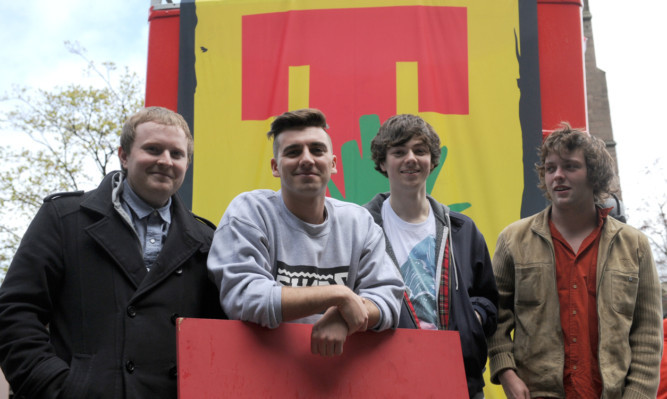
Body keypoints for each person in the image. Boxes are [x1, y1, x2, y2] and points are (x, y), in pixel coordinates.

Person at [0, 106, 224, 399]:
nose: (165, 161)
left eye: (177, 154)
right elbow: (14, 312)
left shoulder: (207, 240)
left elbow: (218, 337)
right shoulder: (63, 218)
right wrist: (54, 386)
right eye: (153, 149)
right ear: (124, 156)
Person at [207, 108, 404, 357]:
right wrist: (337, 295)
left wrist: (343, 317)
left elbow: (389, 296)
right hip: (258, 372)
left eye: (317, 150)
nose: (307, 159)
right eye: (293, 152)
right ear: (275, 167)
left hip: (339, 377)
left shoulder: (358, 222)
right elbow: (244, 297)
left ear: (333, 164)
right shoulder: (249, 212)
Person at [488, 123, 663, 398]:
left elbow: (648, 335)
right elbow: (494, 316)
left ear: (594, 175)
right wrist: (505, 371)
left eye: (570, 167)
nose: (558, 176)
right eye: (550, 168)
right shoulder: (513, 240)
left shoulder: (634, 245)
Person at [363, 114, 498, 399]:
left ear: (432, 160)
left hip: (458, 379)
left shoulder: (462, 229)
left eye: (420, 151)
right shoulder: (360, 227)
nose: (410, 159)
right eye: (399, 152)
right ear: (382, 162)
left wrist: (472, 316)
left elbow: (488, 298)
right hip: (384, 378)